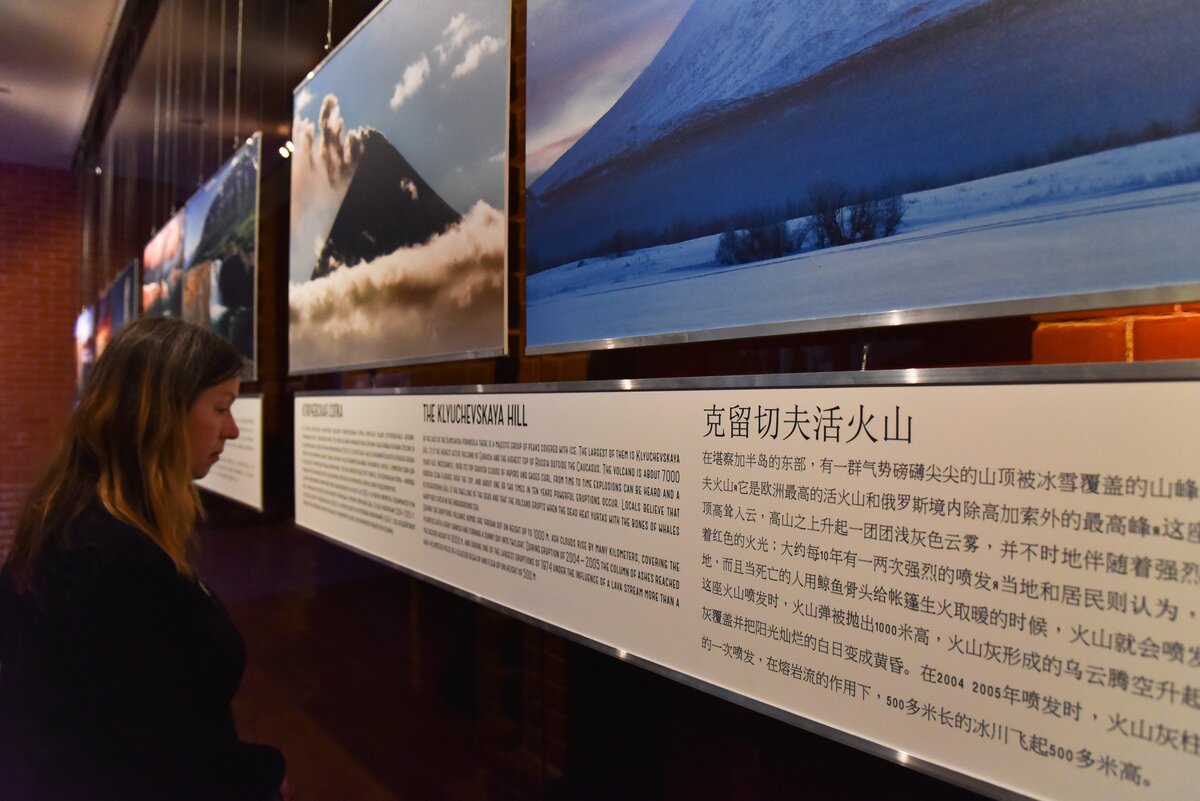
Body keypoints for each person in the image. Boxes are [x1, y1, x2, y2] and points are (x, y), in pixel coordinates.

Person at [0, 317, 290, 801]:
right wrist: (264, 773)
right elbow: (155, 752)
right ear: (159, 413)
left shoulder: (77, 518)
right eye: (221, 408)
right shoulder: (108, 562)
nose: (233, 430)